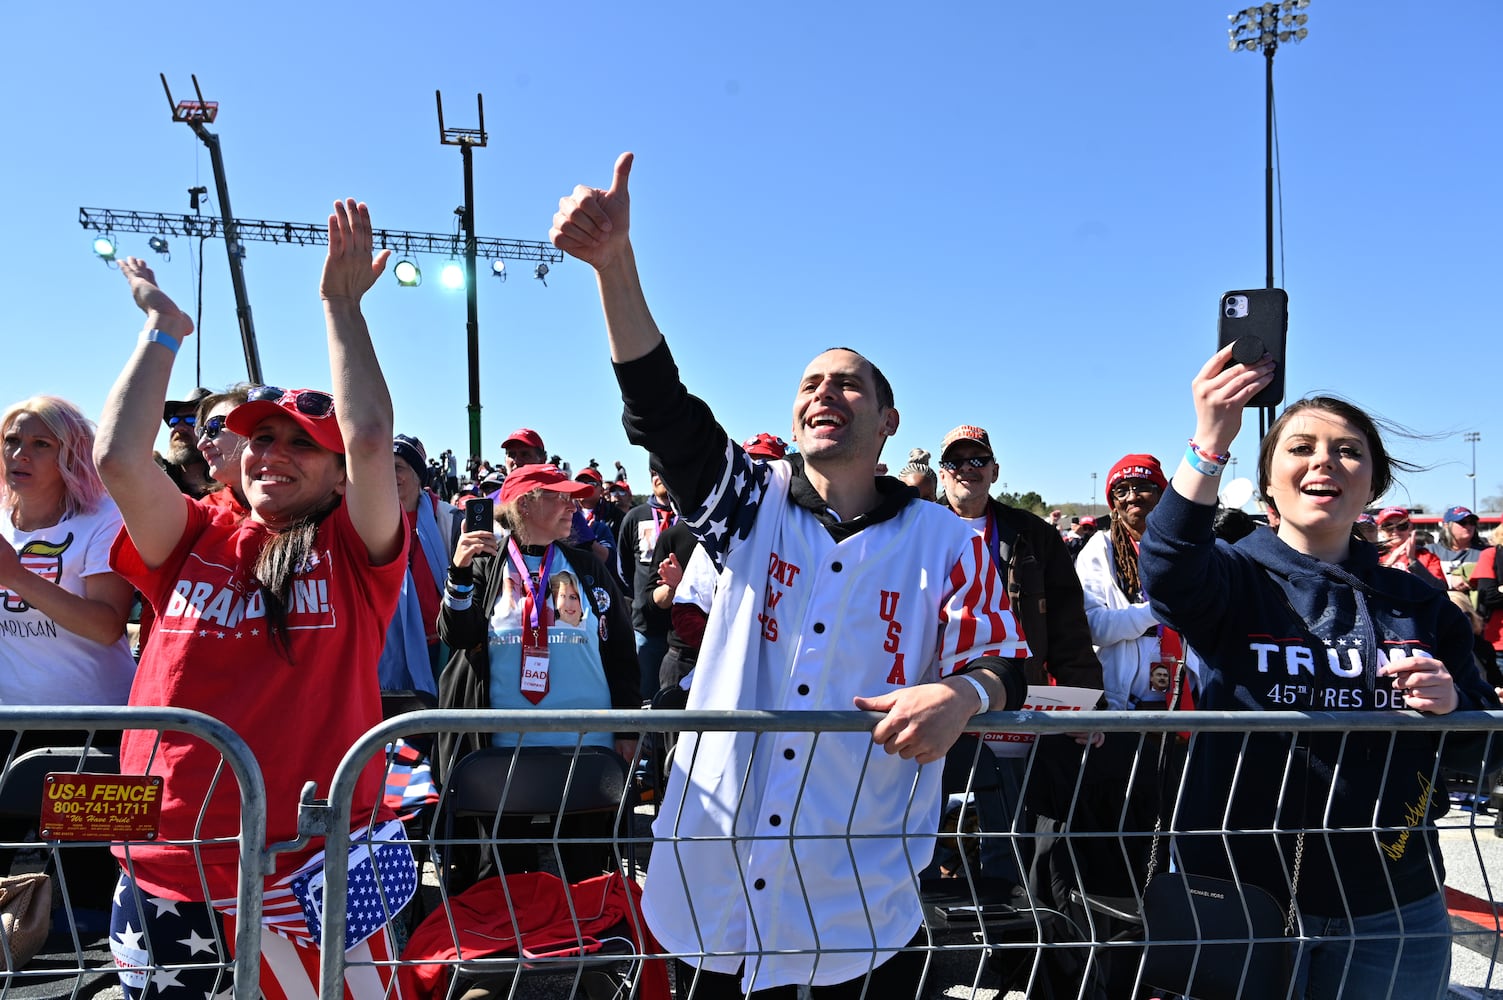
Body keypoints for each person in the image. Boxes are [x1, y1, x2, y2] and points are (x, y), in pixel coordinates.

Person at [551, 152, 1029, 998]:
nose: (825, 393)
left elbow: (1002, 660)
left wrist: (962, 696)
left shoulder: (946, 540)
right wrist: (615, 267)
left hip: (854, 867)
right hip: (713, 861)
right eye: (810, 382)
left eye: (848, 385)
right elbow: (665, 412)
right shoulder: (751, 504)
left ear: (886, 421)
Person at [96, 201, 414, 1000]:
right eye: (262, 438)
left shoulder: (354, 550)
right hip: (164, 862)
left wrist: (340, 310)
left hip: (300, 875)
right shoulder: (195, 534)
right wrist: (163, 329)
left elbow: (371, 436)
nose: (274, 453)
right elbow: (118, 457)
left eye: (303, 442)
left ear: (340, 474)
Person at [1138, 345, 1501, 999]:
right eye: (1299, 448)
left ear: (1372, 483)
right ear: (1270, 479)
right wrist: (1209, 442)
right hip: (1237, 892)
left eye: (1347, 451)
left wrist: (1454, 707)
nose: (1323, 462)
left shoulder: (1418, 603)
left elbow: (1484, 751)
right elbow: (1164, 566)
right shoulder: (1231, 576)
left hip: (1390, 899)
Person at [435, 464, 638, 883]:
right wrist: (458, 572)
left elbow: (619, 650)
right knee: (503, 876)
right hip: (502, 751)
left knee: (586, 873)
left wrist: (627, 727)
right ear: (525, 503)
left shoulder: (587, 567)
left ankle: (585, 944)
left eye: (573, 498)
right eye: (560, 497)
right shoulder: (484, 564)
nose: (573, 506)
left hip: (586, 749)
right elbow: (457, 634)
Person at [0, 395, 137, 710]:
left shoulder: (107, 518)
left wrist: (16, 576)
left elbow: (106, 627)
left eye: (41, 444)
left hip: (92, 722)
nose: (20, 454)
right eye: (12, 440)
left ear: (71, 455)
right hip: (12, 720)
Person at [1076, 453, 1199, 710]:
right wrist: (1159, 611)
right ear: (1114, 503)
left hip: (1185, 699)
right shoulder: (1101, 548)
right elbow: (1093, 626)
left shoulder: (1187, 547)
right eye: (1121, 490)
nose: (1131, 496)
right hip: (1121, 707)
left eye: (1143, 487)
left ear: (1162, 494)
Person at [377, 433, 460, 695]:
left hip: (439, 642)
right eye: (384, 468)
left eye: (398, 468)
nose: (390, 476)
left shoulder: (449, 519)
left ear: (418, 476)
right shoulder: (370, 518)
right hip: (387, 643)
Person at [618, 462, 676, 700]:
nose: (657, 477)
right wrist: (644, 598)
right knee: (644, 697)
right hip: (645, 626)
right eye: (653, 472)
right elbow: (624, 570)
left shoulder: (693, 518)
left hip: (683, 630)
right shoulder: (635, 516)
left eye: (662, 470)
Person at [158, 387, 216, 498]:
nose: (178, 428)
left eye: (192, 420)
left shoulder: (237, 485)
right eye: (173, 421)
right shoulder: (157, 483)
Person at [1426, 505, 1484, 594]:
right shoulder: (1430, 551)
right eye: (1462, 522)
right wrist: (1449, 580)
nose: (1468, 526)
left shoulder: (1486, 553)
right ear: (1446, 525)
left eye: (1472, 522)